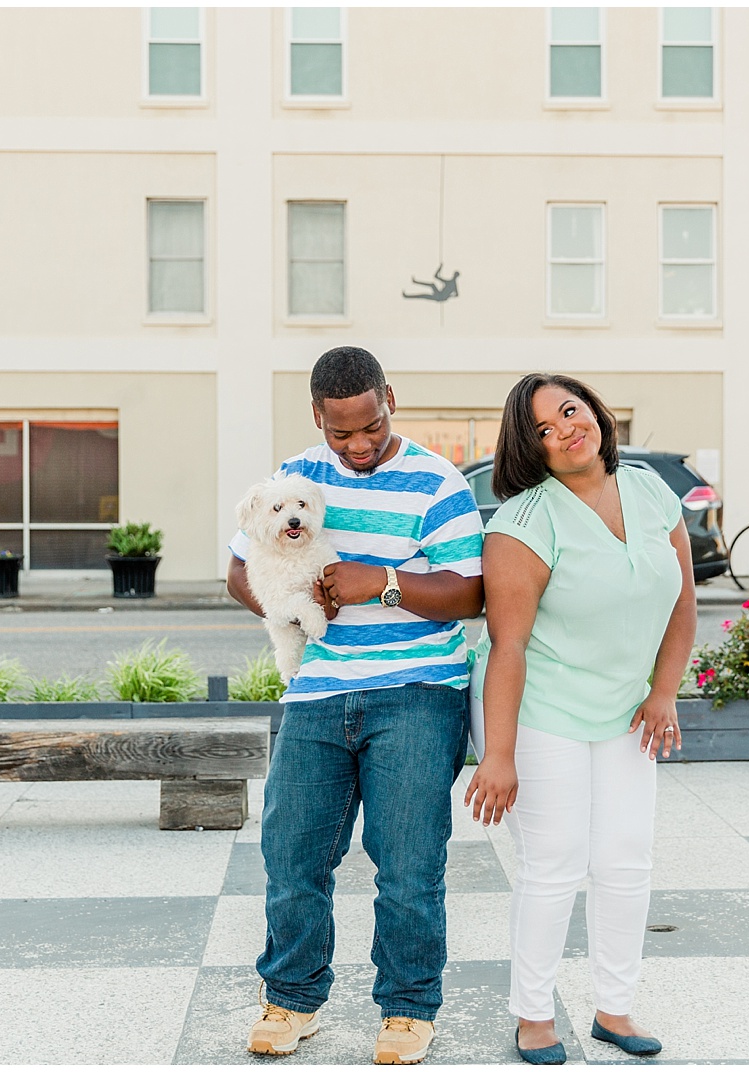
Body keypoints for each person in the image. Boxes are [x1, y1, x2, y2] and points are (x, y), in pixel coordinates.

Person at [226, 346, 484, 1065]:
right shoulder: (295, 479)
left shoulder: (437, 481)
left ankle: (407, 1011)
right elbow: (237, 570)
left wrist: (385, 584)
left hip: (417, 691)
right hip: (318, 692)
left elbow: (471, 591)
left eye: (370, 425)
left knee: (406, 862)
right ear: (318, 418)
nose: (359, 444)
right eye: (342, 432)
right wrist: (282, 608)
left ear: (388, 399)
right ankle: (292, 1001)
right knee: (292, 853)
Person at [463, 373, 695, 1064]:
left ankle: (614, 1011)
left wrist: (663, 692)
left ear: (594, 411)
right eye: (543, 428)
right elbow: (508, 647)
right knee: (555, 863)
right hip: (540, 706)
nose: (565, 428)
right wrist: (497, 756)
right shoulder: (523, 523)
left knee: (626, 858)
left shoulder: (653, 490)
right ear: (530, 449)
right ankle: (533, 1017)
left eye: (571, 410)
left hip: (626, 704)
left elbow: (680, 606)